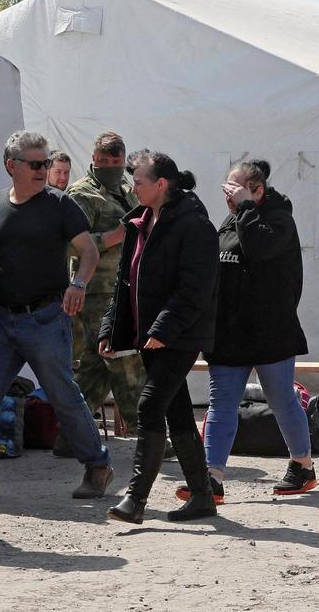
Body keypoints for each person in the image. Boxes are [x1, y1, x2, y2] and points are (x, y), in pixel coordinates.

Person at [0, 130, 113, 499]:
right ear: (10, 166)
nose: (42, 170)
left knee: (63, 394)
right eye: (35, 164)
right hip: (1, 319)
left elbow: (89, 252)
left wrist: (77, 285)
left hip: (46, 317)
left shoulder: (60, 204)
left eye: (45, 163)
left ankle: (97, 465)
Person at [182, 159, 314, 505]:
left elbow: (259, 249)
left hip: (271, 330)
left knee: (281, 399)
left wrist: (243, 206)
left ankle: (302, 465)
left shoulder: (278, 218)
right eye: (226, 189)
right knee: (222, 402)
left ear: (258, 190)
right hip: (229, 333)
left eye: (236, 190)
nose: (229, 196)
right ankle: (211, 477)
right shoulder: (232, 218)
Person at [102, 151, 220, 524]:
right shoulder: (140, 222)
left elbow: (195, 289)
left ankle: (135, 500)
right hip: (149, 336)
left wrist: (163, 328)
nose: (132, 187)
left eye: (138, 181)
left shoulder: (194, 225)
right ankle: (202, 496)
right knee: (177, 411)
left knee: (150, 406)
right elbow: (125, 284)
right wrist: (110, 328)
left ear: (161, 184)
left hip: (179, 335)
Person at [62, 132, 143, 447]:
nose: (110, 166)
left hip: (126, 288)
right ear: (93, 159)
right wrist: (114, 236)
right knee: (125, 358)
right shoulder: (81, 194)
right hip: (97, 291)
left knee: (97, 368)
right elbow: (69, 246)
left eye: (116, 161)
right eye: (104, 161)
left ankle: (69, 435)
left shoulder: (126, 189)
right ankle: (148, 434)